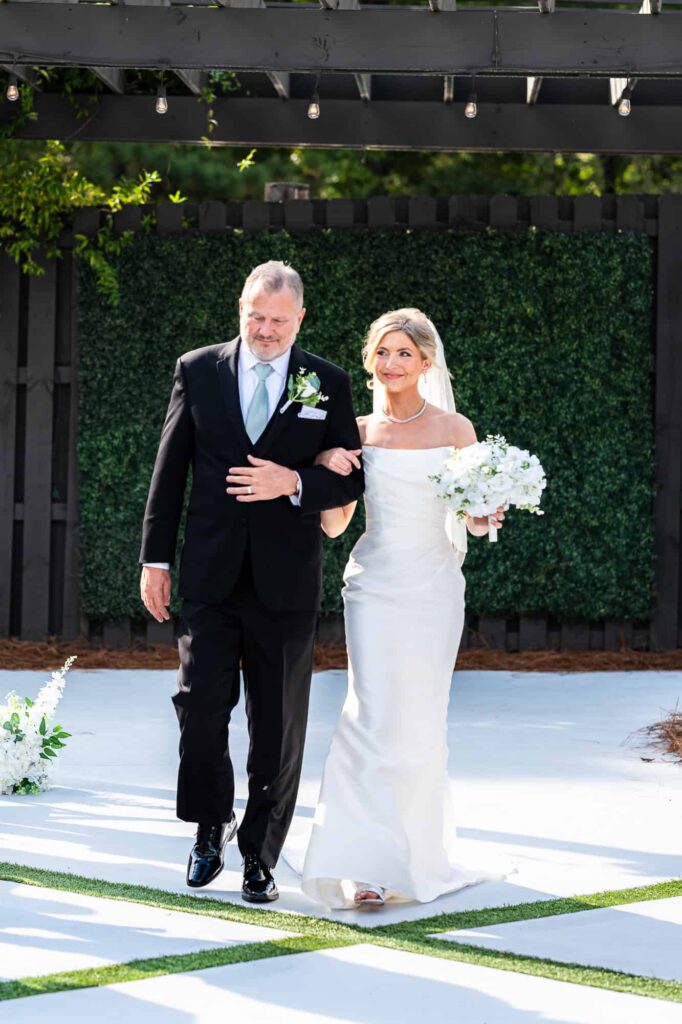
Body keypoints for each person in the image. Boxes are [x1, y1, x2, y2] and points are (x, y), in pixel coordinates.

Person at [139, 261, 364, 903]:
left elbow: (352, 476)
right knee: (200, 708)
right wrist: (155, 559)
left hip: (285, 582)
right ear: (241, 309)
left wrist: (292, 482)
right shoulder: (197, 369)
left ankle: (260, 855)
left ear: (300, 318)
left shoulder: (327, 382)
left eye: (278, 321)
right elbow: (170, 470)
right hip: (210, 576)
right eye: (255, 317)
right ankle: (210, 825)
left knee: (278, 726)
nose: (265, 330)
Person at [294, 308, 506, 909]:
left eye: (403, 353)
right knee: (369, 714)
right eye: (382, 353)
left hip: (434, 589)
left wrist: (487, 511)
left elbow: (472, 517)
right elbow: (335, 526)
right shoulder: (357, 431)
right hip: (374, 587)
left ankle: (411, 856)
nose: (391, 363)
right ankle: (361, 865)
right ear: (370, 361)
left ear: (426, 362)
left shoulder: (456, 428)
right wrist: (322, 469)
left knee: (418, 720)